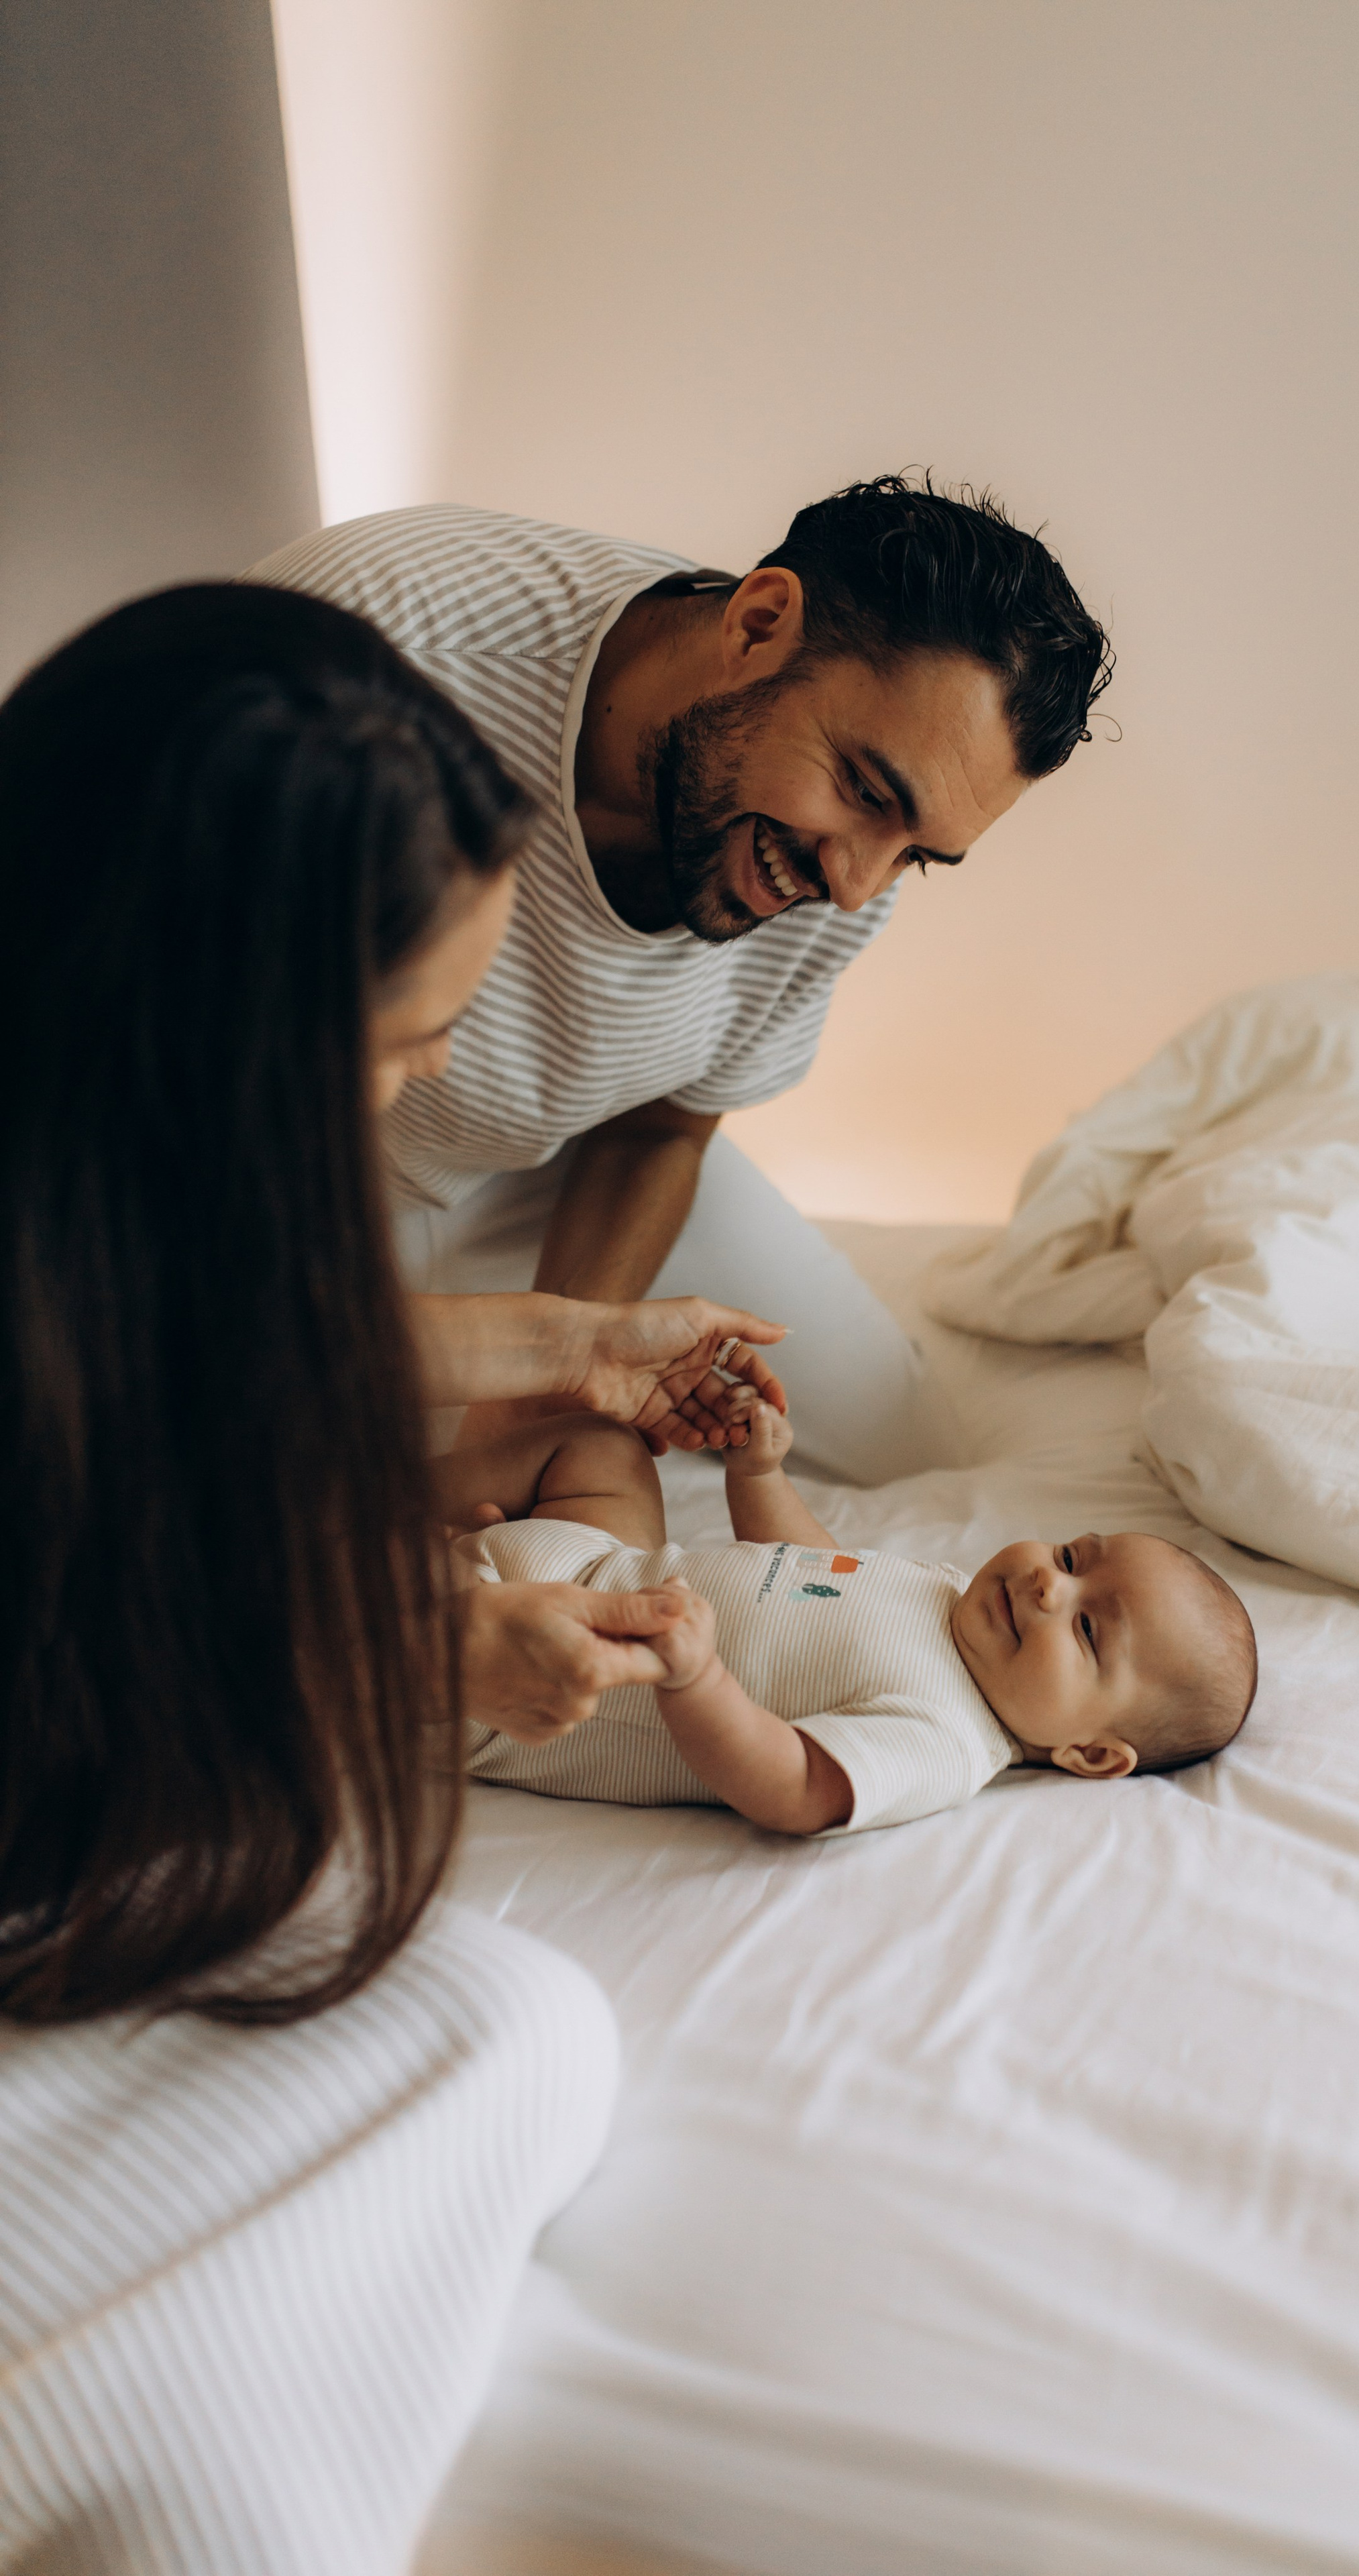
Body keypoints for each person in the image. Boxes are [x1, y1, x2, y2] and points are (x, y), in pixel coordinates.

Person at [0, 580, 771, 2573]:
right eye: (399, 1041)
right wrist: (419, 1651)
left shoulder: (87, 1197)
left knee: (517, 2029)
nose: (419, 1095)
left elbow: (206, 1340)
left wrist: (575, 1345)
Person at [247, 475, 1113, 1485]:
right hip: (269, 1174)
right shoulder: (371, 647)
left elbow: (662, 1125)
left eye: (916, 853)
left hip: (553, 1161)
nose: (857, 886)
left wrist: (539, 1394)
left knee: (911, 1454)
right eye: (867, 793)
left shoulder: (841, 864)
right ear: (757, 623)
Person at [439, 1394, 1258, 1837]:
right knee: (597, 1443)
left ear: (1088, 1753)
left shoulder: (943, 1739)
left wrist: (698, 1682)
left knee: (378, 1604)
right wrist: (758, 1475)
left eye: (1086, 1632)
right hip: (600, 1564)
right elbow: (815, 1570)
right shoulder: (949, 1595)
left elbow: (795, 1787)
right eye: (1074, 1558)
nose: (1049, 1585)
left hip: (525, 1676)